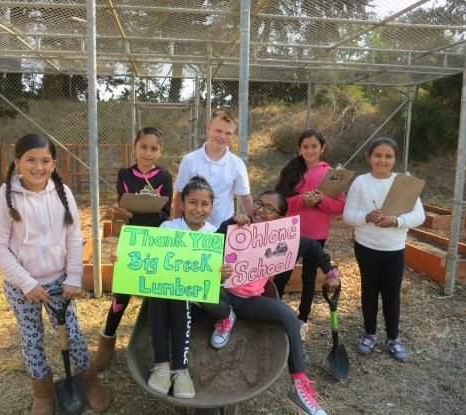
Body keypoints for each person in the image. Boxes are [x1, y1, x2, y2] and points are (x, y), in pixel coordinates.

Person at [0, 133, 109, 414]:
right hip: (22, 287)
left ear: (54, 164)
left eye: (45, 161)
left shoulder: (63, 194)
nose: (37, 167)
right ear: (17, 161)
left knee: (73, 336)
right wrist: (27, 283)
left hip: (59, 282)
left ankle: (90, 383)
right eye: (30, 159)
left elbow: (73, 238)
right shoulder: (5, 198)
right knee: (32, 338)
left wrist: (73, 277)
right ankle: (42, 394)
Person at [201, 190, 340, 415]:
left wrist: (331, 271)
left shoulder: (281, 239)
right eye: (258, 204)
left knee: (288, 317)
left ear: (279, 219)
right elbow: (212, 242)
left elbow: (313, 247)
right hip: (222, 295)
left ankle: (299, 387)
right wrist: (230, 222)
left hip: (249, 301)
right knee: (201, 291)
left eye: (269, 209)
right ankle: (226, 317)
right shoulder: (237, 228)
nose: (261, 211)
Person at [93, 127, 173, 371]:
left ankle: (158, 347)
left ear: (160, 151)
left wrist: (133, 214)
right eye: (143, 147)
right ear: (135, 147)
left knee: (158, 294)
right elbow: (122, 208)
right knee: (122, 295)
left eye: (154, 148)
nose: (148, 153)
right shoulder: (125, 174)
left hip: (155, 242)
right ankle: (106, 343)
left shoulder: (164, 178)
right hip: (131, 240)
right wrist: (132, 215)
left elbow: (164, 216)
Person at [146, 176, 232, 399]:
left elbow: (215, 283)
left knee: (179, 291)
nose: (198, 208)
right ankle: (162, 365)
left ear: (211, 207)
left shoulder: (213, 236)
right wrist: (126, 259)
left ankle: (181, 369)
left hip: (196, 302)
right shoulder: (168, 227)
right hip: (164, 296)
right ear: (182, 205)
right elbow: (150, 264)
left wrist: (221, 275)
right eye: (192, 202)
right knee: (166, 290)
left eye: (205, 204)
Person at [343, 137, 425, 363]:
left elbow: (419, 216)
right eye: (378, 155)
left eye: (388, 156)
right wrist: (366, 217)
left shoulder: (404, 183)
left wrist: (396, 221)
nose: (383, 160)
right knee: (369, 291)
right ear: (369, 158)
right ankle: (370, 334)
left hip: (393, 248)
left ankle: (392, 338)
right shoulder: (361, 182)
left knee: (391, 294)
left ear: (395, 160)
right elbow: (348, 215)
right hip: (366, 247)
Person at [273, 129, 345, 341]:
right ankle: (272, 313)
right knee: (282, 273)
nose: (310, 150)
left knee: (309, 277)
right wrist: (302, 200)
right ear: (299, 149)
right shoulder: (292, 171)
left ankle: (302, 320)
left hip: (316, 234)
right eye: (305, 146)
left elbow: (339, 206)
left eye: (314, 146)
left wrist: (321, 200)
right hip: (291, 231)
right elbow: (281, 203)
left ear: (322, 148)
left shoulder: (331, 174)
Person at [172, 108, 253, 228]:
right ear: (208, 128)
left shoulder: (237, 164)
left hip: (223, 230)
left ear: (233, 134)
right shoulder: (190, 160)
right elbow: (179, 196)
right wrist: (176, 225)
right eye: (218, 131)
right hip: (191, 230)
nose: (222, 136)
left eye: (228, 133)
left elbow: (245, 199)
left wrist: (256, 227)